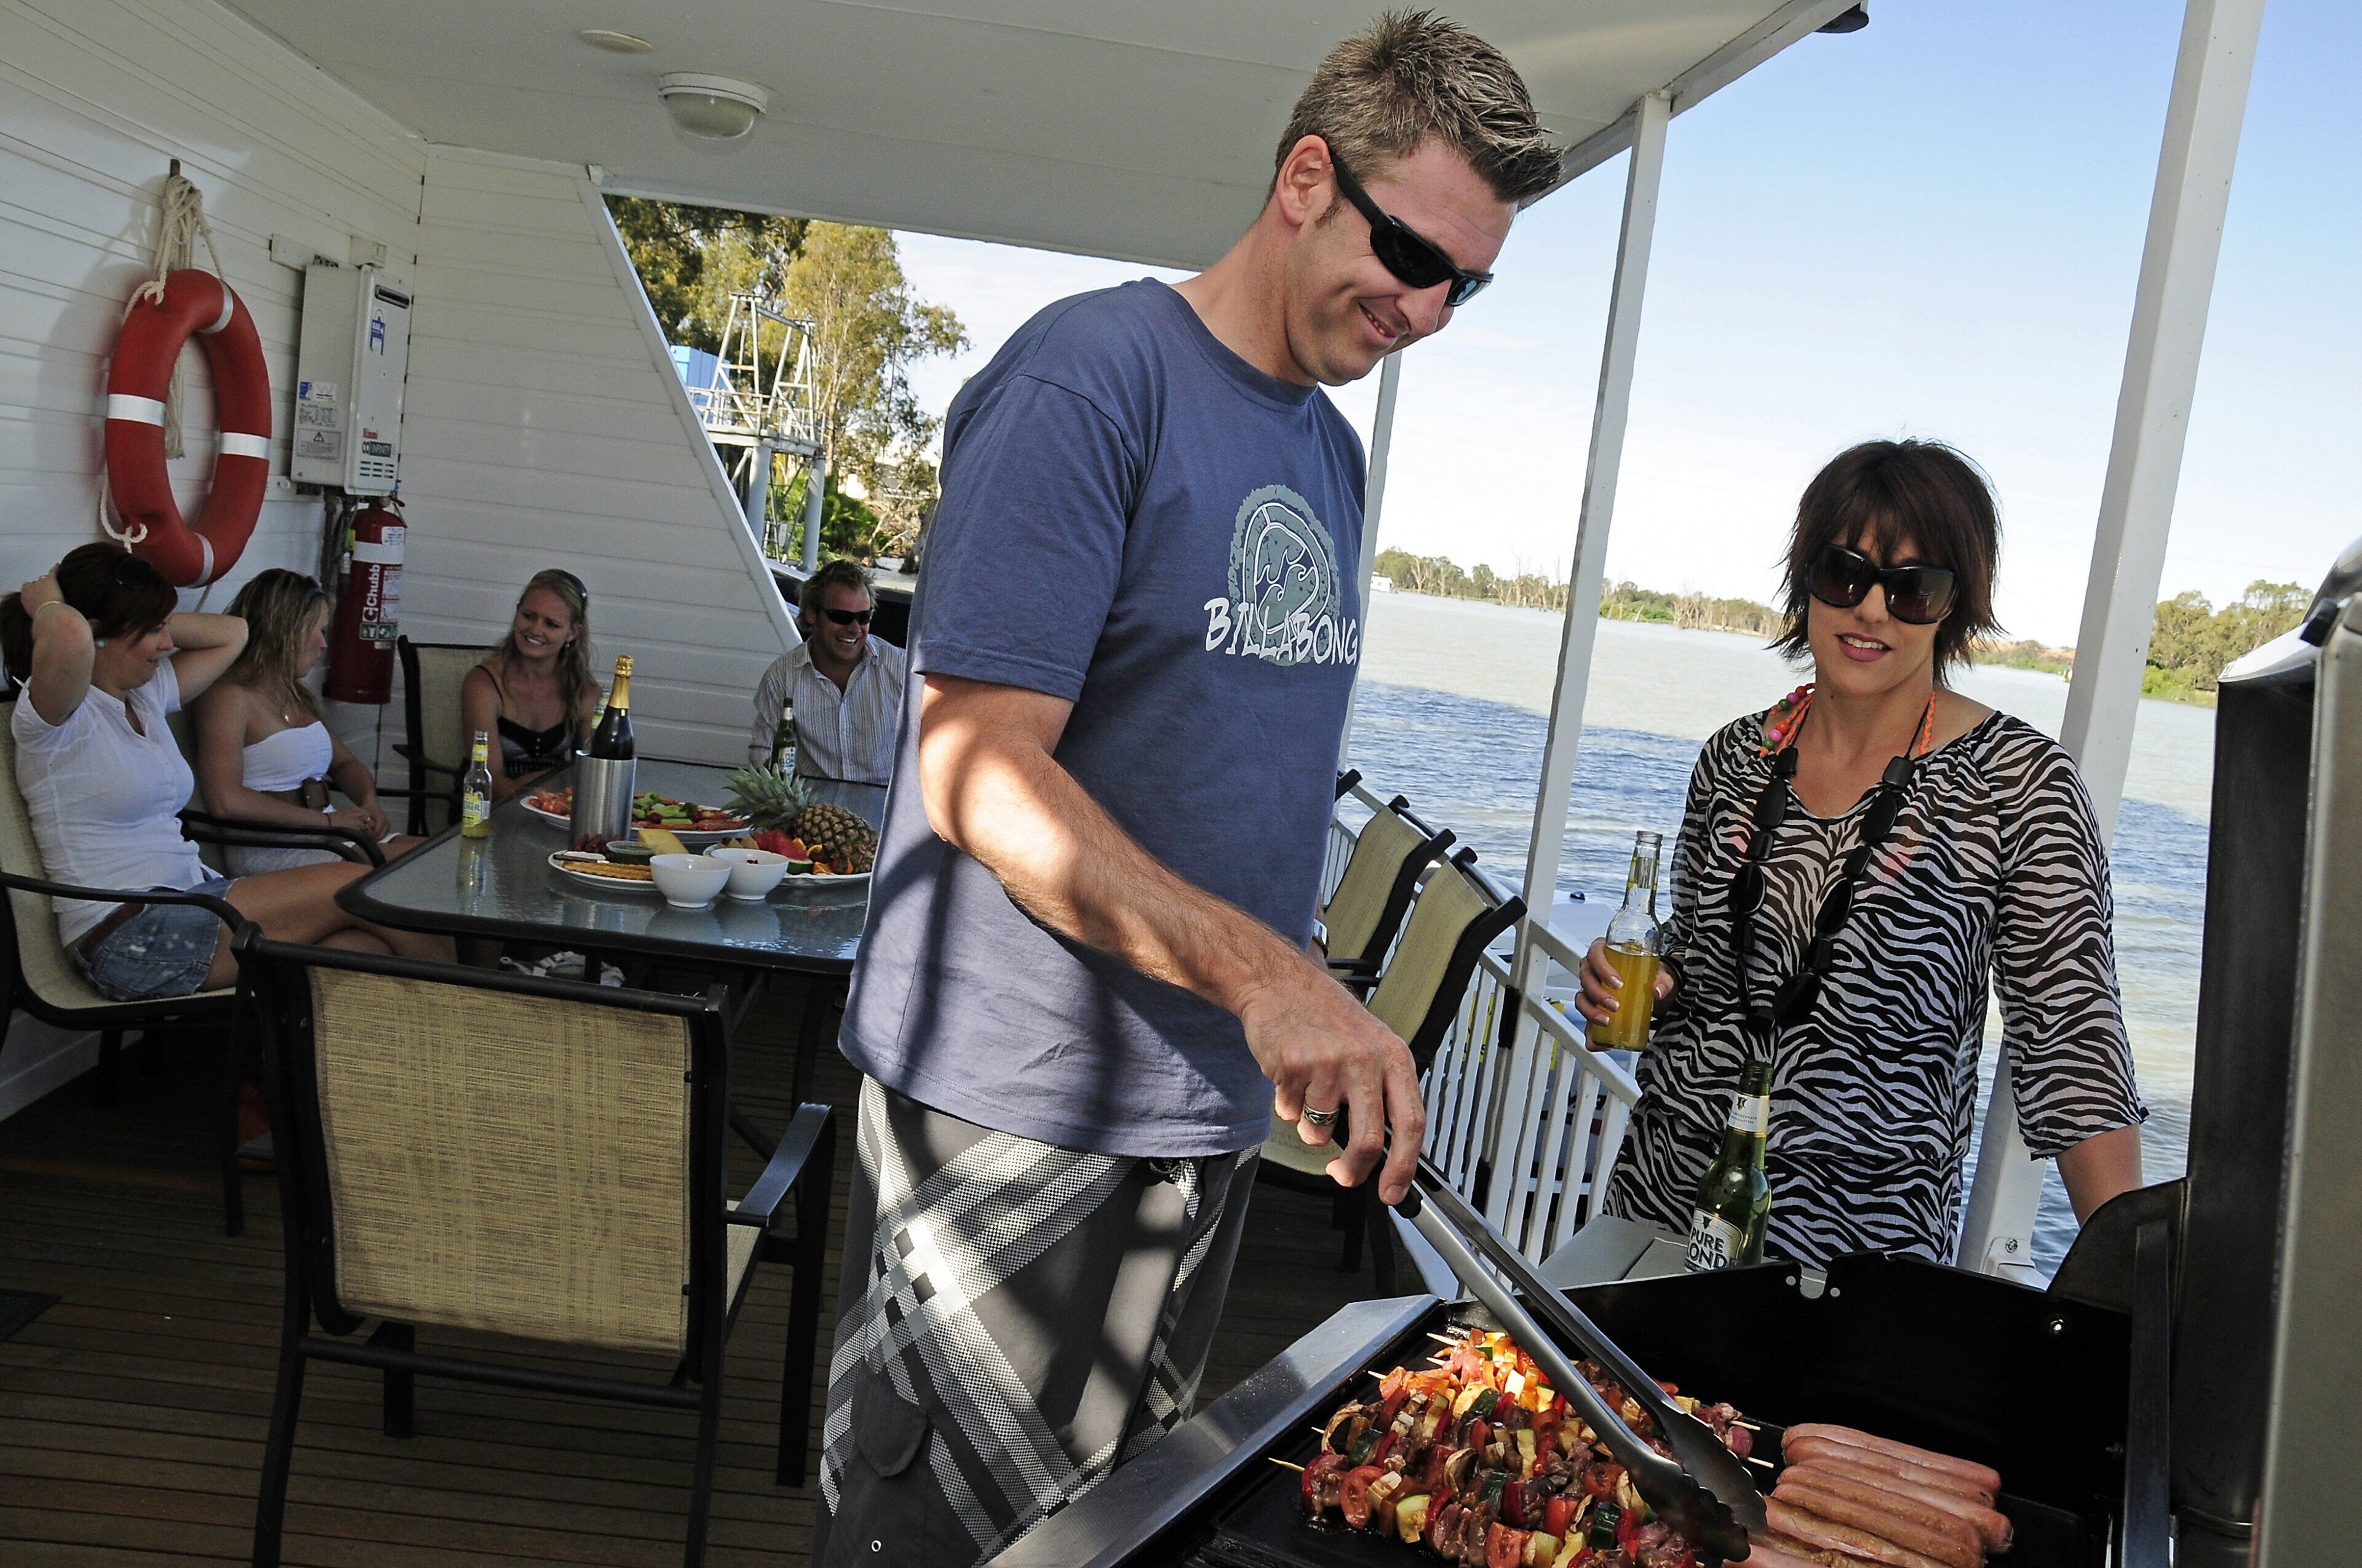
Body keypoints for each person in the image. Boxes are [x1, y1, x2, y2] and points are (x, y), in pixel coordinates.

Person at [816, 15, 1561, 1564]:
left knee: (1109, 1540)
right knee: (940, 1548)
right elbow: (971, 763)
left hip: (1199, 1116)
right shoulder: (1091, 380)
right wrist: (1269, 976)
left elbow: (1229, 767)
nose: (1426, 308)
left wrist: (1275, 1016)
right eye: (1412, 249)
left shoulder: (1331, 458)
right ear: (1305, 175)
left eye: (1464, 284)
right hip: (1012, 1113)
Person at [1576, 439, 2147, 1268]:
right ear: (1807, 578)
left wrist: (2139, 1293)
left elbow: (2073, 1043)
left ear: (1954, 607)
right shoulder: (1736, 758)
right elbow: (1700, 953)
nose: (1873, 610)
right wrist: (1649, 980)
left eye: (1914, 588)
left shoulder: (2017, 786)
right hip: (1661, 1210)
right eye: (1846, 574)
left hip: (1857, 1258)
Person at [2, 545, 453, 1008]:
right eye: (153, 631)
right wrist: (53, 602)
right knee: (369, 890)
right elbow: (70, 635)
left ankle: (271, 1074)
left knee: (364, 948)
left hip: (195, 900)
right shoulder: (55, 719)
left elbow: (235, 633)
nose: (166, 643)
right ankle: (471, 1031)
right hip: (126, 938)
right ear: (98, 634)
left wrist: (145, 614)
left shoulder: (146, 694)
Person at [193, 569, 423, 874]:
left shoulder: (294, 692)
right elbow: (226, 800)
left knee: (440, 854)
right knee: (413, 870)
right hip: (277, 848)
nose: (324, 645)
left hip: (327, 836)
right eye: (320, 631)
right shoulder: (228, 696)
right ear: (287, 630)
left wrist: (369, 802)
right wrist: (327, 822)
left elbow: (345, 765)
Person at [746, 557, 908, 781]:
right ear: (812, 614)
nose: (855, 629)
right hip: (814, 810)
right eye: (842, 617)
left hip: (881, 809)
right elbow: (761, 751)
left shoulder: (900, 668)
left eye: (864, 617)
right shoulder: (782, 676)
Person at [459, 569, 598, 802]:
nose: (535, 630)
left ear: (572, 633)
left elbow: (597, 775)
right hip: (486, 813)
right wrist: (560, 782)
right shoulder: (483, 683)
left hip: (556, 812)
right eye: (529, 616)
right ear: (516, 613)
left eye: (551, 624)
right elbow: (489, 781)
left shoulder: (584, 691)